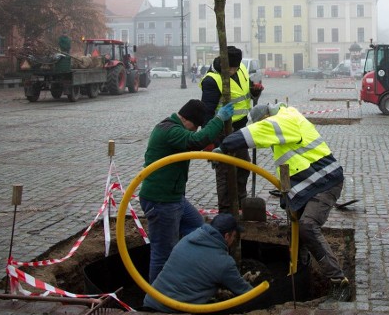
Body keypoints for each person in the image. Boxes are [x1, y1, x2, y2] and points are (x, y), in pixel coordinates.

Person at [216, 103, 350, 301]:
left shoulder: (283, 121)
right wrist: (288, 199)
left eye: (263, 122)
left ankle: (339, 282)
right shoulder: (284, 129)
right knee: (295, 228)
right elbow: (287, 166)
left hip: (324, 182)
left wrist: (225, 145)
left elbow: (257, 132)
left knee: (307, 227)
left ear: (267, 117)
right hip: (310, 184)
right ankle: (300, 267)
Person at [139, 99, 235, 283]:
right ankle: (157, 297)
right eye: (195, 125)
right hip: (161, 200)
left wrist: (212, 153)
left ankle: (188, 269)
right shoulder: (170, 130)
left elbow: (189, 148)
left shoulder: (175, 130)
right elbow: (195, 142)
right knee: (162, 253)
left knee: (198, 228)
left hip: (175, 199)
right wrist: (219, 120)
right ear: (185, 119)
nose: (195, 130)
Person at [143, 213, 253, 312]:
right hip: (171, 311)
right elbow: (246, 292)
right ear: (227, 236)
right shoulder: (224, 263)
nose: (233, 240)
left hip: (152, 300)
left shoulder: (188, 238)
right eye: (233, 236)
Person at [200, 46, 262, 213]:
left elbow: (247, 89)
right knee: (225, 171)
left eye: (236, 67)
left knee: (243, 166)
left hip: (240, 129)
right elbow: (206, 111)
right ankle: (226, 210)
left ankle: (240, 203)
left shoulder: (241, 70)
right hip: (221, 131)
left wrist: (254, 91)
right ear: (222, 62)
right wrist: (209, 140)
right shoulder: (212, 80)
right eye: (230, 68)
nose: (233, 71)